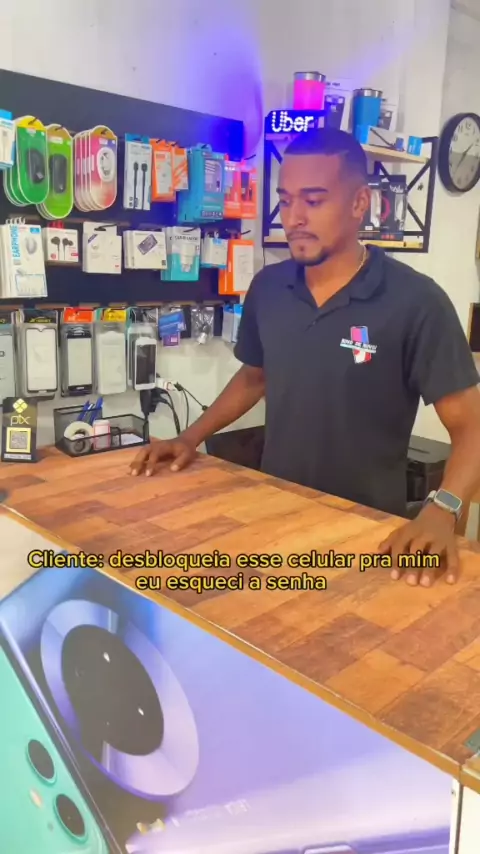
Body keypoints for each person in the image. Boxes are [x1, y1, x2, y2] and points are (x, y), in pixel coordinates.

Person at [130, 128, 480, 587]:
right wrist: (190, 437)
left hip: (369, 534)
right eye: (286, 200)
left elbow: (471, 427)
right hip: (275, 512)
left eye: (313, 201)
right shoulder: (269, 288)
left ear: (359, 203)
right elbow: (255, 377)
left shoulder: (416, 302)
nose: (294, 217)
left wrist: (443, 509)